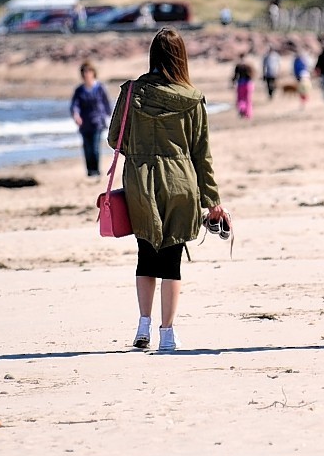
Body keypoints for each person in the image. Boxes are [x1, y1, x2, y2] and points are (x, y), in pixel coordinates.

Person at [108, 30, 226, 352]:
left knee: (145, 254)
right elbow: (202, 153)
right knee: (172, 259)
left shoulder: (133, 91)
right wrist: (212, 200)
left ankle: (143, 326)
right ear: (181, 57)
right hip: (180, 181)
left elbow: (114, 136)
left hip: (141, 180)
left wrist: (141, 150)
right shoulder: (193, 98)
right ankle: (168, 333)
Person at [69, 61, 113, 178]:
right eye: (84, 72)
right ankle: (90, 171)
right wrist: (76, 115)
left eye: (89, 71)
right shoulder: (79, 90)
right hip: (84, 124)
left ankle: (96, 170)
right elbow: (75, 105)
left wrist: (109, 117)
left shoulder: (100, 88)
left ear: (93, 73)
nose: (87, 74)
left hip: (97, 122)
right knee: (87, 148)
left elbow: (106, 103)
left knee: (95, 148)